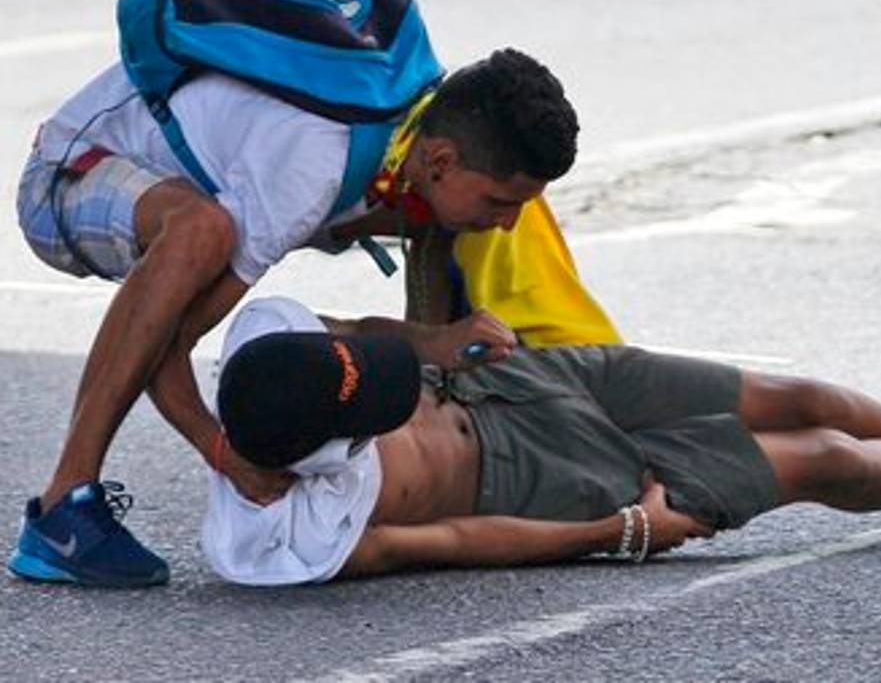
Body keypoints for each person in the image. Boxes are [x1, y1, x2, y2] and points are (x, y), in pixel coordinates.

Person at [8, 45, 618, 589]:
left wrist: (439, 359)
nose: (509, 220)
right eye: (499, 202)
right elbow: (169, 342)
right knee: (201, 234)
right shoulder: (313, 163)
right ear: (437, 159)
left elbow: (443, 233)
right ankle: (65, 507)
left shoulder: (421, 122)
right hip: (71, 172)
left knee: (454, 219)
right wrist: (221, 451)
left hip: (207, 177)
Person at [197, 297, 881, 585]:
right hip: (551, 477)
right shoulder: (315, 533)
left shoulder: (270, 366)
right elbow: (454, 542)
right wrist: (623, 531)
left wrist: (437, 343)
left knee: (799, 393)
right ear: (326, 455)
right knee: (824, 462)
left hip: (512, 380)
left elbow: (363, 329)